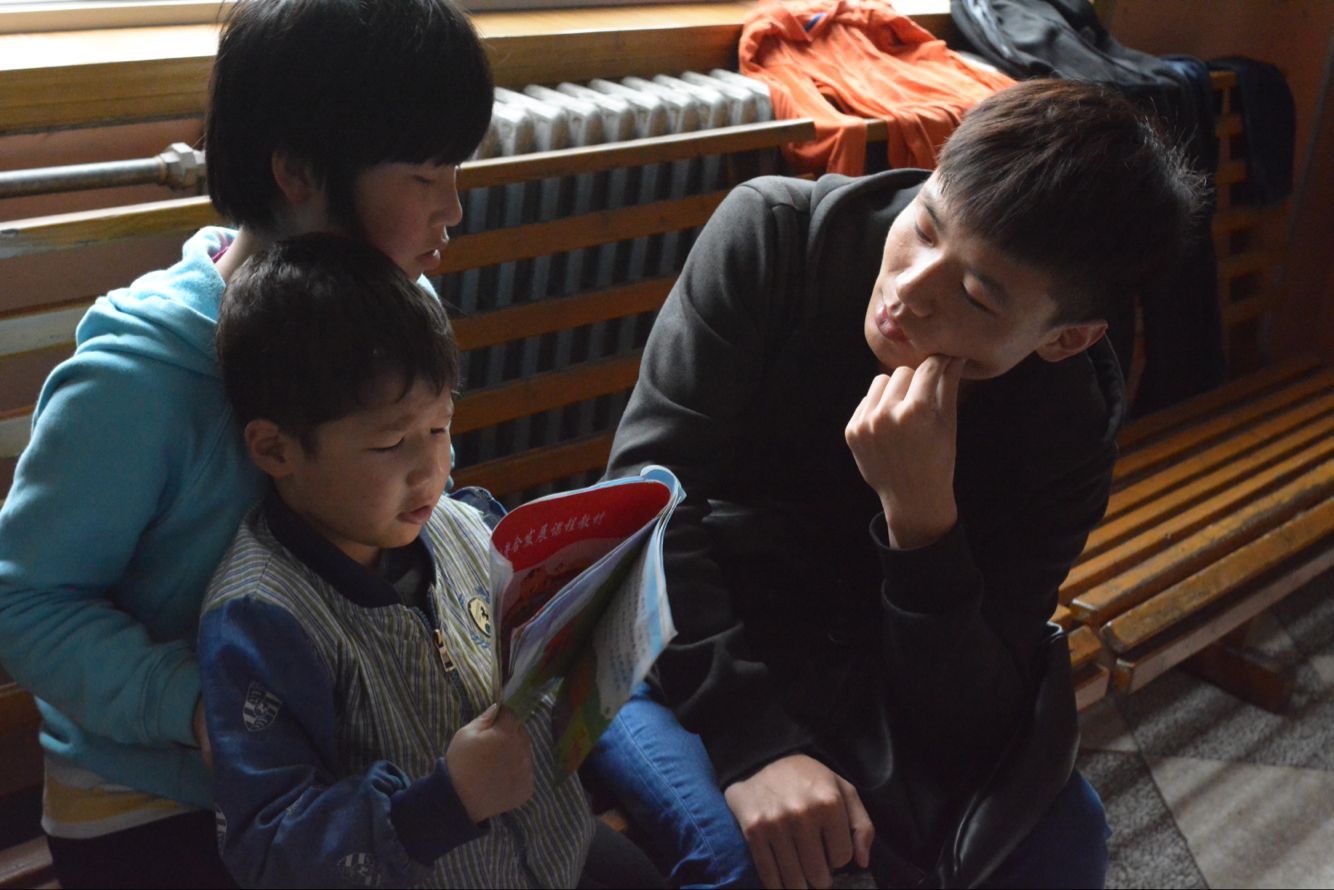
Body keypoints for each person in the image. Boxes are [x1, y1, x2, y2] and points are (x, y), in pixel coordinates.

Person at [582, 80, 1206, 889]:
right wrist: (755, 744)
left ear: (1067, 339)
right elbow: (645, 511)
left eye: (975, 295)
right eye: (924, 224)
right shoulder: (777, 238)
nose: (910, 289)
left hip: (859, 681)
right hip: (668, 641)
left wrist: (922, 522)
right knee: (758, 866)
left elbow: (973, 711)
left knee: (1065, 835)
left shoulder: (1069, 418)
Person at [0, 1, 491, 885]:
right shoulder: (139, 381)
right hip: (157, 799)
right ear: (297, 171)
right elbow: (24, 603)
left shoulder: (400, 313)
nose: (453, 208)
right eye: (425, 176)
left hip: (352, 764)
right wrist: (209, 707)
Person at [200, 234, 662, 889]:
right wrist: (444, 803)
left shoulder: (468, 526)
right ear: (276, 450)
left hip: (557, 848)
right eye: (391, 442)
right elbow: (269, 849)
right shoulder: (263, 619)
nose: (431, 470)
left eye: (441, 428)